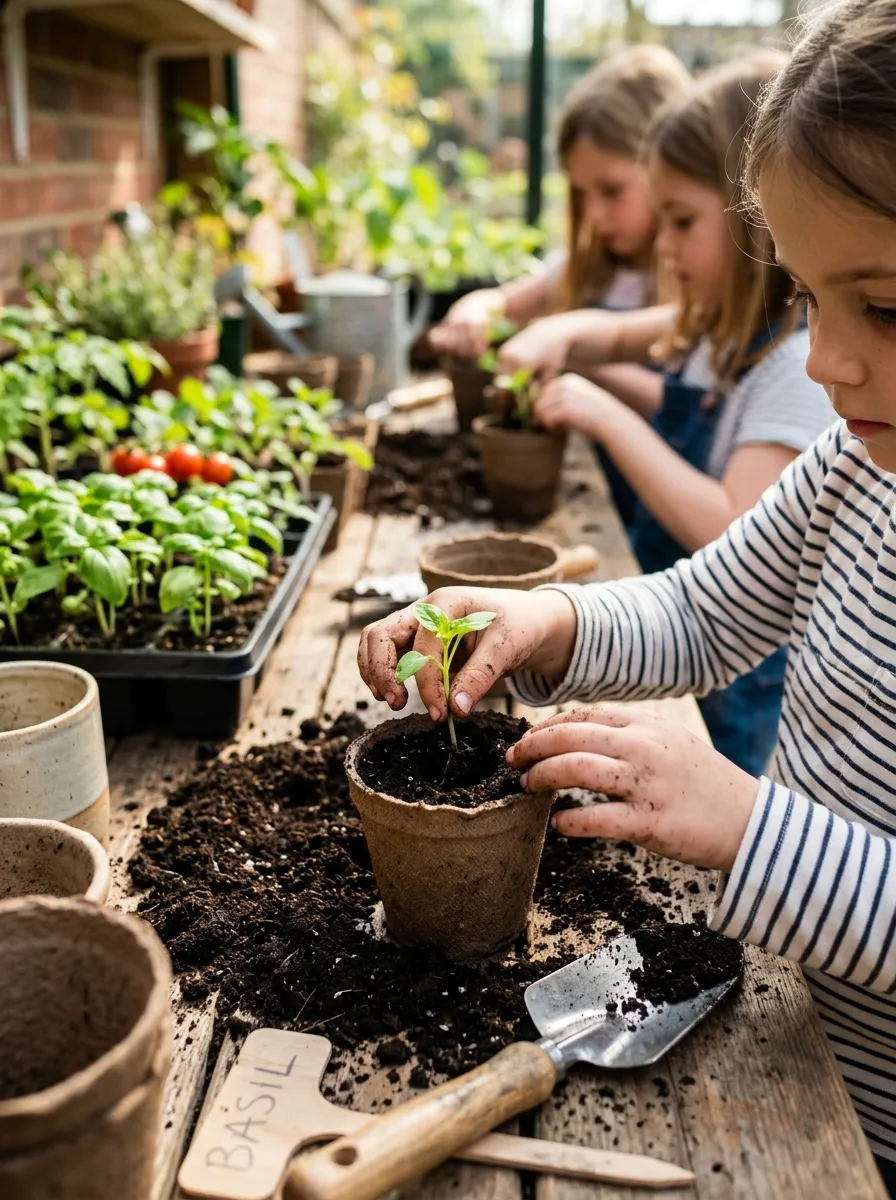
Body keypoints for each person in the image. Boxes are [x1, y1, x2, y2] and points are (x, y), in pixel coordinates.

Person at [358, 1, 896, 1187]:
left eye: (884, 307)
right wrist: (544, 621)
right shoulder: (856, 464)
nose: (821, 361)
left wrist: (748, 825)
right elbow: (704, 611)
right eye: (805, 299)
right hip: (779, 1024)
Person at [495, 54, 833, 778]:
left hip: (738, 699)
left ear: (757, 217)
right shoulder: (723, 331)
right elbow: (622, 334)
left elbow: (728, 524)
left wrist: (608, 416)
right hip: (679, 648)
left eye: (680, 220)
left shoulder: (798, 367)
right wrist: (565, 334)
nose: (664, 247)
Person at [428, 45, 689, 377]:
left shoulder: (696, 283)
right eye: (580, 194)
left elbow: (674, 404)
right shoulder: (584, 271)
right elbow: (503, 303)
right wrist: (475, 309)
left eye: (611, 191)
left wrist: (570, 353)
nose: (593, 213)